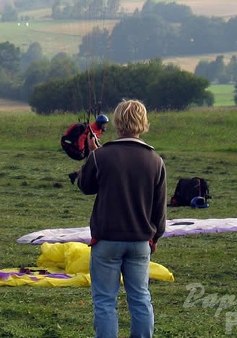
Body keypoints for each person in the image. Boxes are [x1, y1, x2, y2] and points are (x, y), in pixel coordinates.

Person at [77, 100, 167, 338]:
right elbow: (160, 209)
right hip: (140, 241)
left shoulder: (102, 156)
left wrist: (92, 155)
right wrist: (155, 237)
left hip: (106, 240)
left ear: (117, 123)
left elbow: (85, 186)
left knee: (105, 301)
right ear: (143, 123)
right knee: (140, 298)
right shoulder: (155, 160)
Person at [66, 114, 109, 183]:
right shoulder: (91, 128)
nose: (105, 126)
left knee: (89, 165)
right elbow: (81, 139)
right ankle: (83, 178)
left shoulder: (99, 129)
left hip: (93, 149)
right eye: (104, 124)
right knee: (90, 165)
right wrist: (81, 150)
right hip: (89, 150)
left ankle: (75, 175)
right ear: (100, 123)